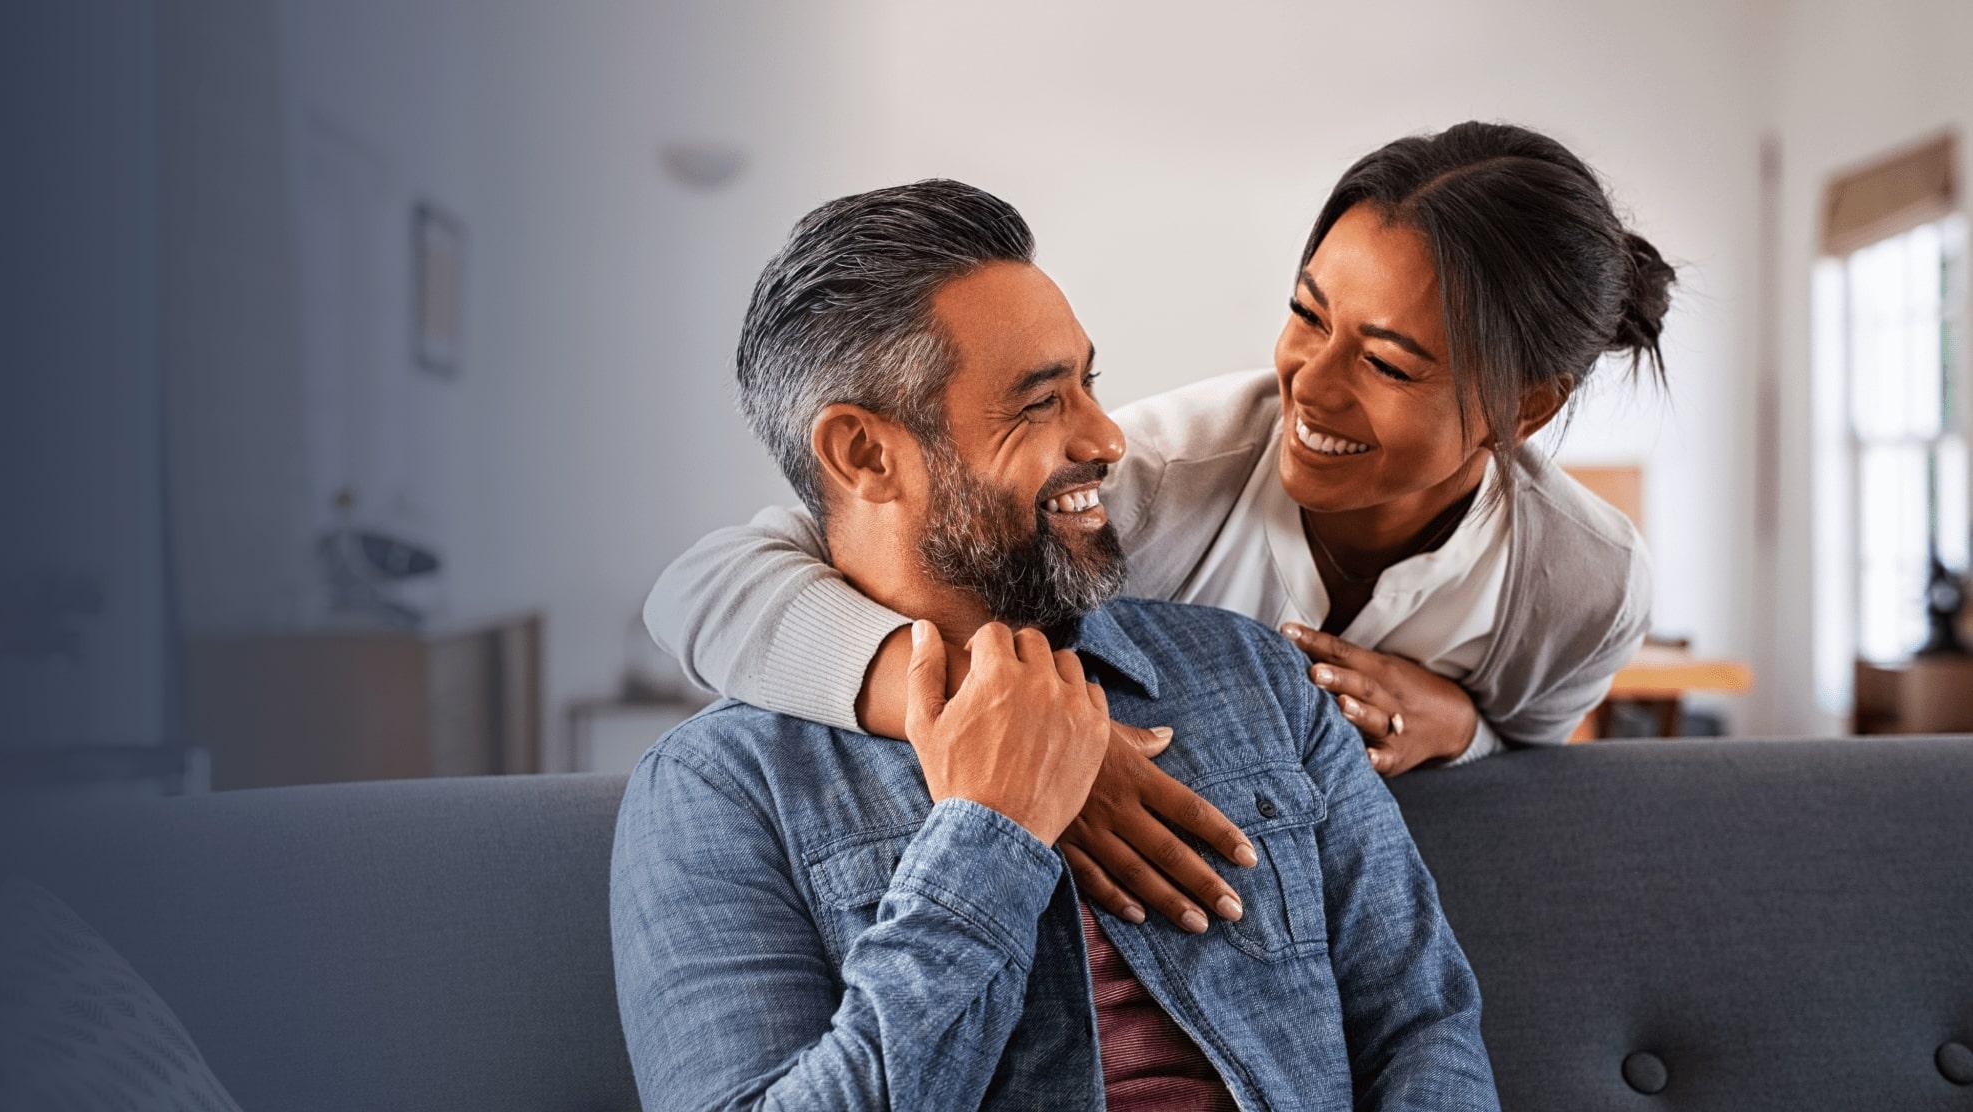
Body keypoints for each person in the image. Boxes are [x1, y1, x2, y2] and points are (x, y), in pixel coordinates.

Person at [643, 121, 1669, 929]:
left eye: (1389, 362)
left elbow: (1534, 763)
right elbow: (704, 586)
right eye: (1307, 314)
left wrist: (1464, 728)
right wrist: (1004, 725)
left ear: (1524, 406)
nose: (1308, 382)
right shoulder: (1156, 479)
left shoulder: (1584, 582)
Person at [611, 179, 1496, 1110]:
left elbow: (1424, 1027)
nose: (1108, 436)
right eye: (1039, 403)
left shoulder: (1259, 678)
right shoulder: (720, 790)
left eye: (1091, 383)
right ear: (865, 455)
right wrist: (988, 837)